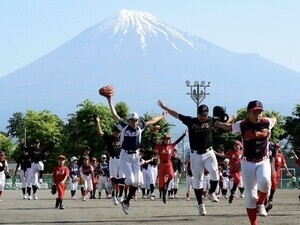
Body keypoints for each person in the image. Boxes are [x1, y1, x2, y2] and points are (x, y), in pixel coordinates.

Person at [215, 100, 277, 225]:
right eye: (254, 112)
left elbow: (274, 120)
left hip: (263, 160)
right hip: (247, 162)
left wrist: (273, 117)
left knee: (265, 182)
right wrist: (216, 123)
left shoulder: (266, 122)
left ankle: (260, 204)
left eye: (259, 112)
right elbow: (228, 127)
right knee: (249, 196)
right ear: (249, 113)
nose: (257, 115)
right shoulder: (242, 124)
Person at [105, 94, 167, 214]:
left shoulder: (140, 127)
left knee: (138, 182)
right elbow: (114, 115)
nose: (135, 122)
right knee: (130, 180)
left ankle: (126, 201)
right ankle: (114, 181)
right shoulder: (124, 127)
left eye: (136, 120)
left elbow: (152, 121)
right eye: (132, 120)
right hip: (125, 156)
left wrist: (162, 116)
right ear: (128, 121)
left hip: (136, 155)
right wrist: (109, 100)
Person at [158, 100, 220, 216]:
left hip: (208, 152)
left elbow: (224, 125)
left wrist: (229, 119)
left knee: (215, 172)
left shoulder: (210, 120)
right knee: (198, 179)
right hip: (195, 155)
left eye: (205, 114)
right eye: (201, 114)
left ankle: (212, 193)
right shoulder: (191, 121)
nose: (203, 117)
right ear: (197, 114)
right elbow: (177, 114)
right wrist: (165, 107)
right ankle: (200, 204)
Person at [96, 116, 125, 206]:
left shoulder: (122, 139)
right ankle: (113, 195)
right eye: (116, 132)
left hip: (121, 159)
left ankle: (120, 196)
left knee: (122, 178)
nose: (117, 134)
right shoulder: (110, 139)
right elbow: (100, 133)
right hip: (112, 160)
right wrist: (98, 122)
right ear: (113, 132)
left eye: (119, 132)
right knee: (113, 179)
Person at [155, 132, 186, 203]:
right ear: (163, 140)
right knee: (161, 182)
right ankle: (164, 194)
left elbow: (177, 141)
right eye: (165, 139)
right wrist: (154, 133)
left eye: (168, 139)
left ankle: (167, 183)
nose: (167, 140)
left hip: (168, 163)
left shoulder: (171, 146)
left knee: (171, 176)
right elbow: (152, 142)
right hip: (162, 164)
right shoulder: (160, 146)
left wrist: (183, 135)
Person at [266, 143, 292, 212]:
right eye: (275, 147)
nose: (276, 148)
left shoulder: (281, 156)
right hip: (272, 170)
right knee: (272, 184)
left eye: (278, 147)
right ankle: (269, 199)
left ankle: (269, 199)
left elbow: (284, 164)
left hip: (278, 171)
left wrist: (288, 172)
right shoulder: (271, 155)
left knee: (275, 186)